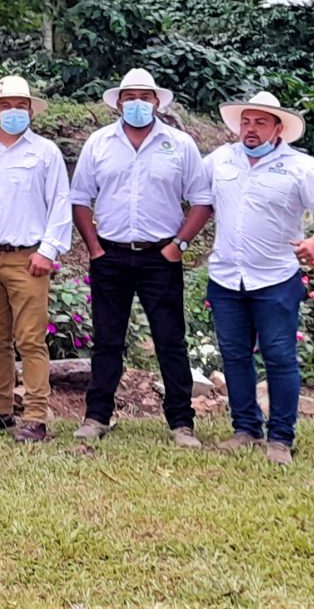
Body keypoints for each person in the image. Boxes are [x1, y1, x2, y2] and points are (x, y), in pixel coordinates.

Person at [191, 92, 314, 465]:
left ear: (278, 128)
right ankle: (245, 429)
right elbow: (194, 195)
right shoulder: (220, 160)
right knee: (235, 355)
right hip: (227, 277)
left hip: (275, 278)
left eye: (260, 122)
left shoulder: (299, 166)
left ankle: (280, 439)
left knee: (279, 357)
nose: (251, 129)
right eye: (246, 122)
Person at [70, 69, 212, 448]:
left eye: (144, 97)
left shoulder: (179, 145)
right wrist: (94, 248)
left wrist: (178, 245)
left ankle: (181, 422)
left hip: (160, 256)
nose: (136, 103)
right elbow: (80, 198)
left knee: (170, 340)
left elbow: (201, 200)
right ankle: (96, 416)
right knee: (107, 340)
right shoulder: (99, 143)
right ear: (118, 102)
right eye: (129, 96)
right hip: (111, 255)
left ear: (156, 102)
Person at [0, 75, 72, 443]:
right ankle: (1, 410)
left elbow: (60, 203)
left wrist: (48, 251)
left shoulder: (46, 153)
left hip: (28, 258)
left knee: (31, 339)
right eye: (6, 106)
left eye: (21, 106)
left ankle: (36, 416)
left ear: (30, 110)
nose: (13, 112)